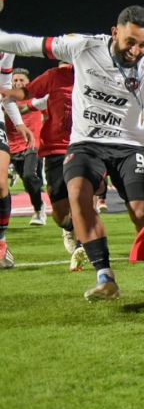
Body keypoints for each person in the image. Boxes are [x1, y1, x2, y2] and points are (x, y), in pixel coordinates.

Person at [0, 5, 144, 298]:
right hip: (86, 144)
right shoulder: (84, 46)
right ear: (115, 33)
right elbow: (27, 44)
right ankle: (105, 277)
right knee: (78, 194)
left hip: (130, 146)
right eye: (130, 42)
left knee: (141, 211)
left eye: (143, 44)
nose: (135, 50)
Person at [3, 61, 91, 269]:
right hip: (55, 150)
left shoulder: (94, 78)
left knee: (83, 196)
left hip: (84, 146)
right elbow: (29, 102)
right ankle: (68, 226)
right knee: (60, 213)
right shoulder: (53, 82)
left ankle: (84, 246)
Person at [0, 50, 35, 269]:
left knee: (1, 183)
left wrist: (20, 124)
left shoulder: (5, 50)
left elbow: (5, 93)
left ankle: (1, 242)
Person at [6, 68, 47, 226]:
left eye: (21, 80)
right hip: (13, 146)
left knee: (30, 175)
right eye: (15, 80)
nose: (17, 83)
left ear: (28, 82)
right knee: (26, 179)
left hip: (33, 143)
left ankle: (39, 209)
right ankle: (39, 204)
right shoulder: (6, 100)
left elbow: (48, 112)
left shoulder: (36, 97)